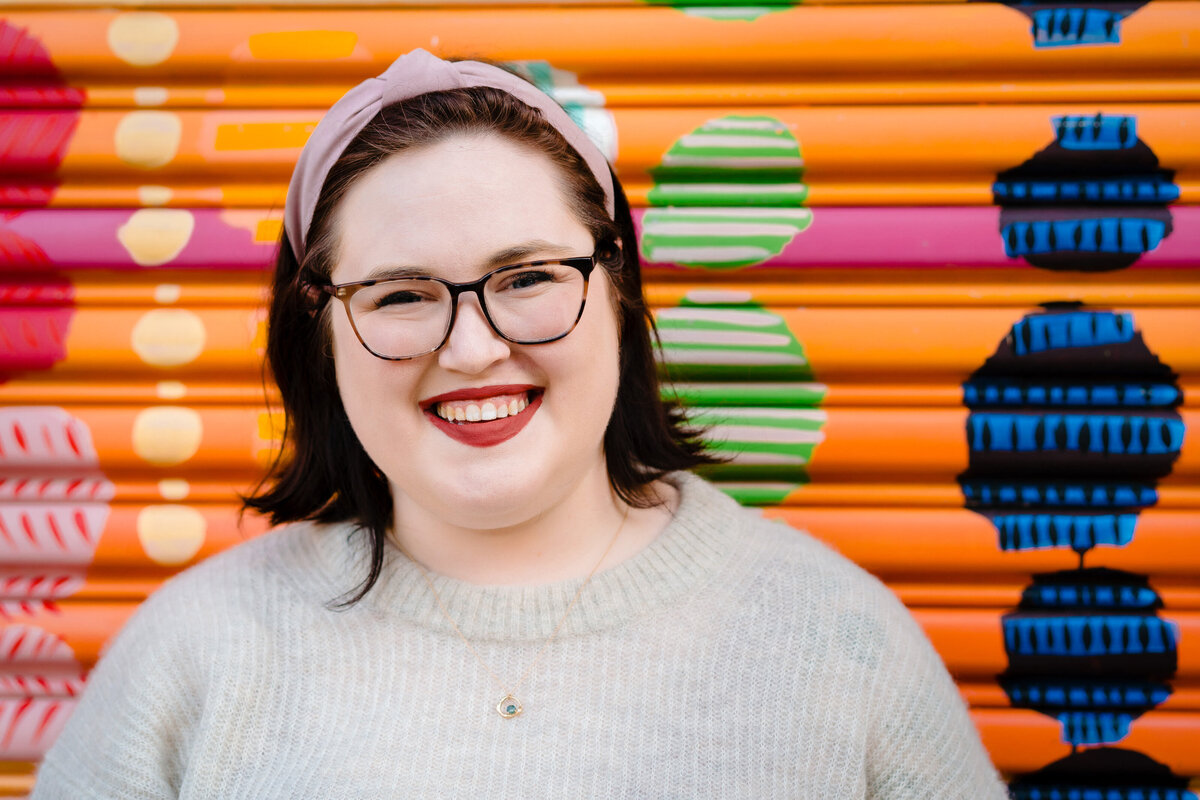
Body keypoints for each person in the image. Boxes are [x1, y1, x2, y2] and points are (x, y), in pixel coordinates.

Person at [32, 50, 1007, 798]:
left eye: (528, 277)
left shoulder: (837, 644)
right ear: (318, 332)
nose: (470, 349)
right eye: (401, 293)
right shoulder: (193, 656)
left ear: (618, 287)